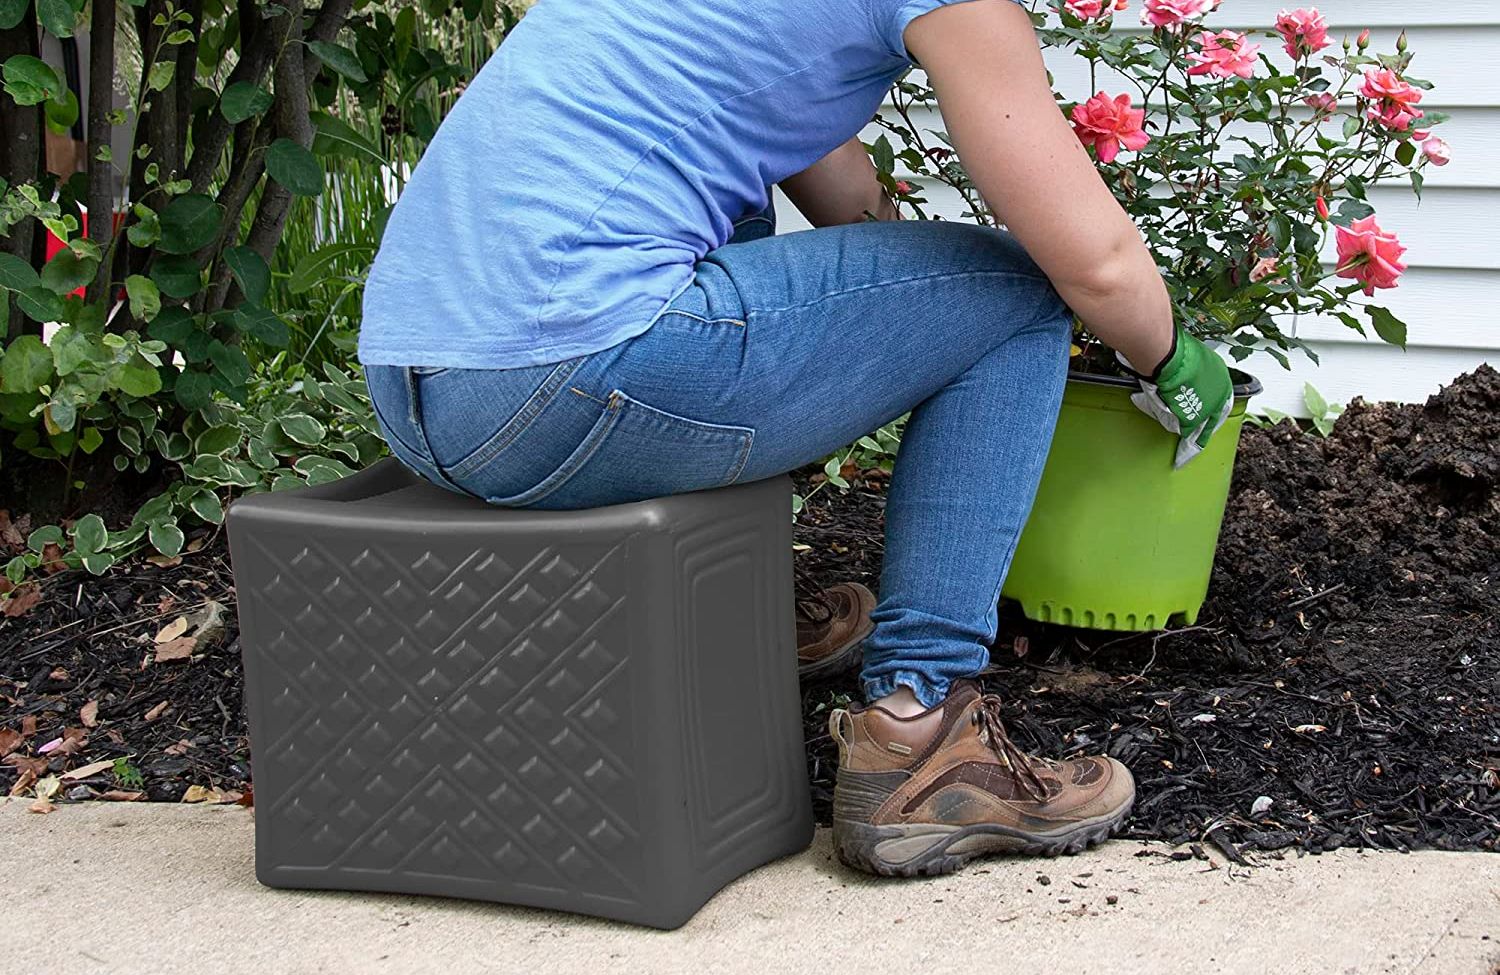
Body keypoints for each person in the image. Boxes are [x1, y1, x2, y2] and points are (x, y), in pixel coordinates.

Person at [358, 0, 1234, 877]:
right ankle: (918, 731)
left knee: (734, 221)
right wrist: (1171, 356)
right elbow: (1095, 264)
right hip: (571, 383)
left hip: (421, 387)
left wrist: (907, 335)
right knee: (1020, 294)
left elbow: (845, 200)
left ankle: (726, 617)